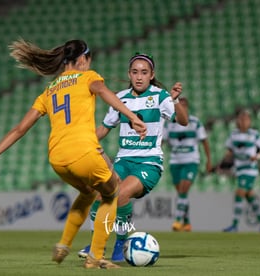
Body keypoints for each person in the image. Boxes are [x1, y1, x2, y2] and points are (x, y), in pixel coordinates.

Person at [0, 39, 147, 269]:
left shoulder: (49, 90)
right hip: (84, 151)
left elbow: (19, 129)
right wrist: (132, 117)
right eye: (88, 59)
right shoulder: (88, 77)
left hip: (58, 159)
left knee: (89, 193)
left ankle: (64, 244)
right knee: (112, 192)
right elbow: (104, 91)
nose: (89, 64)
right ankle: (96, 257)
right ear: (82, 59)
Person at [78, 52, 189, 262]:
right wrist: (82, 140)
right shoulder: (120, 98)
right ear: (129, 74)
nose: (139, 77)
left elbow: (183, 121)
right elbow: (104, 128)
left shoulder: (160, 96)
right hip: (123, 162)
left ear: (151, 74)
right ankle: (96, 245)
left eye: (144, 72)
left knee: (119, 195)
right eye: (135, 72)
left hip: (148, 163)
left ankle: (120, 244)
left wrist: (175, 101)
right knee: (99, 196)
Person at [163, 98, 212, 232]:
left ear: (187, 108)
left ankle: (178, 220)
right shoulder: (169, 124)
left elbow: (205, 142)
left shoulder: (195, 122)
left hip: (191, 160)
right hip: (175, 161)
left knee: (184, 189)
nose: (181, 108)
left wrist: (208, 160)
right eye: (179, 106)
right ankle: (187, 222)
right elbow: (161, 141)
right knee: (181, 193)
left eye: (184, 106)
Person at [222, 110, 260, 233]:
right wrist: (227, 156)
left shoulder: (254, 134)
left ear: (249, 121)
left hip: (250, 169)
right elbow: (229, 150)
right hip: (239, 168)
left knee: (239, 193)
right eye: (241, 119)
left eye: (245, 119)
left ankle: (234, 225)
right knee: (249, 196)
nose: (243, 121)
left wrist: (258, 156)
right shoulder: (233, 135)